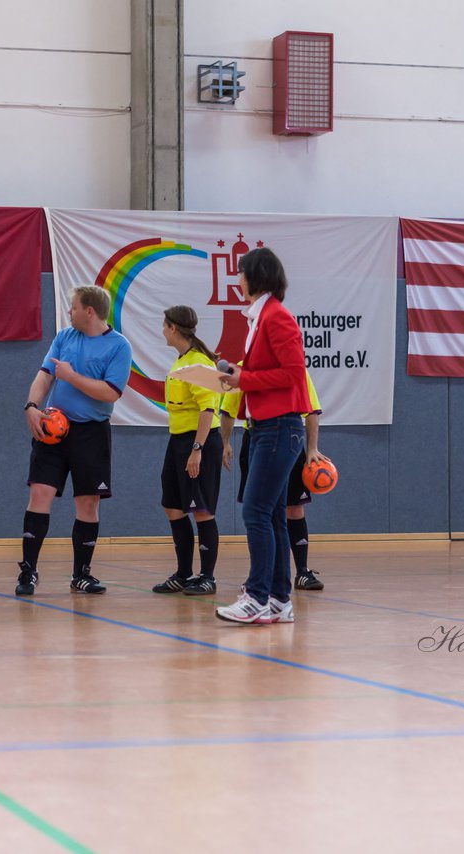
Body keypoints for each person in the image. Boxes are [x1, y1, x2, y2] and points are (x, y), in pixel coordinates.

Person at [214, 247, 312, 624]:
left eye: (240, 274)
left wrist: (244, 379)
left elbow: (293, 374)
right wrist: (236, 380)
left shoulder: (277, 318)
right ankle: (279, 600)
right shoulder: (260, 317)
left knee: (255, 511)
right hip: (264, 428)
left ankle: (256, 596)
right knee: (271, 516)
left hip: (279, 428)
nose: (237, 281)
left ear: (255, 276)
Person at [16, 285, 133, 596]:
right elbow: (45, 375)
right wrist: (31, 407)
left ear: (89, 311)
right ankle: (28, 572)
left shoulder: (119, 347)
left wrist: (72, 377)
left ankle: (81, 574)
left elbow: (111, 393)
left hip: (91, 434)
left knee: (88, 502)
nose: (69, 312)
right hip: (53, 429)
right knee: (39, 494)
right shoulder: (64, 337)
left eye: (73, 307)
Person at [220, 368, 330, 591]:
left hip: (288, 439)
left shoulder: (293, 369)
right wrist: (225, 443)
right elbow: (228, 411)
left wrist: (312, 449)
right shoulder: (243, 368)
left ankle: (302, 571)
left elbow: (311, 411)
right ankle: (262, 574)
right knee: (260, 511)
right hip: (256, 439)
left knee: (294, 508)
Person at [152, 306, 224, 596]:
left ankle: (207, 576)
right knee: (173, 506)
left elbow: (208, 408)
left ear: (172, 328)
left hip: (200, 442)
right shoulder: (180, 361)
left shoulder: (199, 363)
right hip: (177, 441)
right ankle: (184, 573)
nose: (162, 330)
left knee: (202, 510)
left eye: (163, 325)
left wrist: (198, 449)